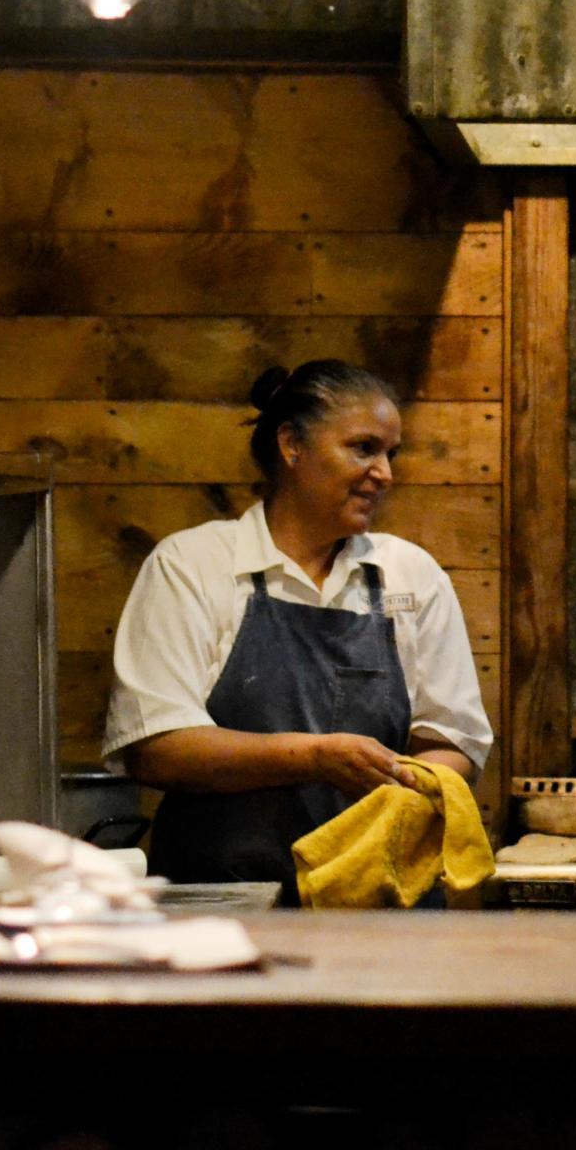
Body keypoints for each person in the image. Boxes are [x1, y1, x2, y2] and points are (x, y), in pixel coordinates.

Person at [102, 361, 495, 899]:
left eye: (390, 454)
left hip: (376, 906)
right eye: (363, 448)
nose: (384, 472)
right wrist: (315, 758)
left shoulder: (410, 575)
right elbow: (157, 746)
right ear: (291, 445)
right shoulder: (194, 565)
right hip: (226, 905)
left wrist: (405, 794)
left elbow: (452, 740)